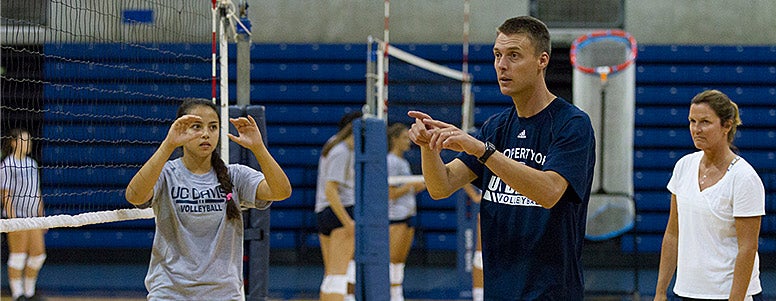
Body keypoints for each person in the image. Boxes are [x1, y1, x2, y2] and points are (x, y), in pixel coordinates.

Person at [407, 15, 595, 300]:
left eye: (514, 55)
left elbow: (549, 192)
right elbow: (440, 186)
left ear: (542, 61)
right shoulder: (496, 127)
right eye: (497, 55)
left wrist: (483, 151)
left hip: (551, 293)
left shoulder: (572, 124)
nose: (501, 65)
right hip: (499, 291)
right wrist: (428, 147)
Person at [124, 98, 292, 300]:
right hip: (170, 293)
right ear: (180, 129)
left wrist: (259, 148)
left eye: (213, 127)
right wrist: (168, 145)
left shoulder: (235, 175)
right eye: (197, 126)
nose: (206, 134)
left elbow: (281, 191)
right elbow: (134, 196)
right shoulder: (166, 173)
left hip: (223, 294)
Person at [654, 90, 765, 301]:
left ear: (727, 125)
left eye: (705, 122)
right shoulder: (683, 166)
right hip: (687, 291)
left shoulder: (744, 177)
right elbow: (672, 234)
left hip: (729, 294)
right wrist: (660, 291)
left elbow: (748, 248)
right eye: (692, 121)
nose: (696, 129)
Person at [1, 128, 46, 301]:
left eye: (29, 140)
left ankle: (29, 292)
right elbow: (6, 195)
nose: (28, 144)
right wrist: (13, 221)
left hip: (34, 218)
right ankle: (17, 294)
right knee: (18, 256)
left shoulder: (32, 164)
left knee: (38, 255)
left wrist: (42, 217)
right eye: (24, 140)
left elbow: (37, 192)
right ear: (14, 142)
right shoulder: (7, 165)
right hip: (17, 217)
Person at [315, 121, 356, 301]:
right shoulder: (342, 151)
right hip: (340, 212)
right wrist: (348, 223)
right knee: (337, 277)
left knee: (332, 276)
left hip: (327, 212)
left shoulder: (334, 146)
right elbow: (330, 190)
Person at [385, 123, 425, 301]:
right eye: (404, 138)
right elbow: (390, 193)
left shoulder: (403, 161)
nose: (408, 142)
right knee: (392, 259)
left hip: (408, 214)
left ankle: (397, 293)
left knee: (400, 260)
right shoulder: (390, 161)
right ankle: (391, 294)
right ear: (394, 139)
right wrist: (410, 185)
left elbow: (406, 189)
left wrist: (420, 185)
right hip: (396, 216)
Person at [462, 184, 483, 301]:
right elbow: (462, 178)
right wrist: (475, 196)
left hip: (515, 212)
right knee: (480, 256)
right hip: (488, 210)